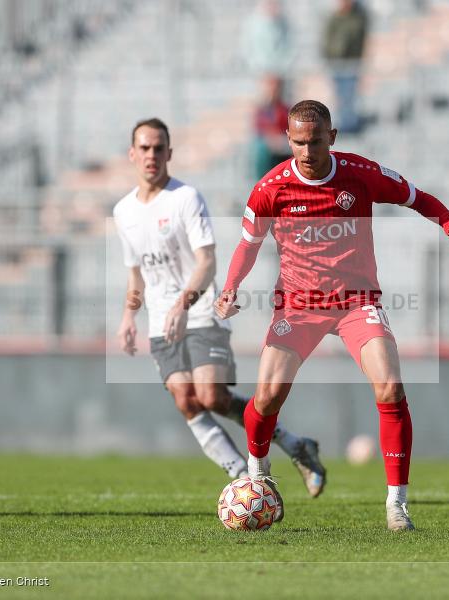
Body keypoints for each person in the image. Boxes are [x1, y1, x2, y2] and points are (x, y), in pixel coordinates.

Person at [214, 101, 449, 530]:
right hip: (299, 306)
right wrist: (230, 287)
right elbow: (247, 245)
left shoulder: (360, 173)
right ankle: (259, 474)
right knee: (266, 397)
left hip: (357, 302)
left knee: (391, 388)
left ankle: (397, 504)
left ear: (332, 137)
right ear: (289, 140)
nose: (307, 150)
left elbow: (417, 196)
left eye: (315, 141)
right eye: (299, 142)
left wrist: (448, 223)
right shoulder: (271, 188)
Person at [113, 118, 326, 504]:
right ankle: (244, 475)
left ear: (170, 154)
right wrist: (129, 316)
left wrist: (182, 304)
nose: (151, 155)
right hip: (162, 323)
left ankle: (289, 446)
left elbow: (207, 262)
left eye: (159, 148)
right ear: (132, 154)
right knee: (186, 401)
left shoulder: (185, 198)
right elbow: (135, 274)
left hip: (198, 314)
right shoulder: (124, 210)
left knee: (210, 396)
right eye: (144, 148)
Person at [322, 0, 368, 133]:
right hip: (336, 64)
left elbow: (356, 39)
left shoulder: (358, 18)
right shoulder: (334, 18)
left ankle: (350, 124)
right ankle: (341, 124)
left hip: (351, 64)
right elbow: (327, 41)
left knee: (349, 95)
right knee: (339, 95)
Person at [252, 75, 292, 181]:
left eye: (275, 88)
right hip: (269, 146)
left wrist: (280, 139)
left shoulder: (286, 109)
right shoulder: (261, 110)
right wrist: (271, 139)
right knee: (261, 149)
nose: (273, 91)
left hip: (284, 144)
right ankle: (262, 182)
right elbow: (261, 129)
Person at [241, 0, 294, 77]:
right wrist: (259, 69)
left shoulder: (285, 24)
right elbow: (247, 48)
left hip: (278, 72)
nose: (272, 6)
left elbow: (290, 48)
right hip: (260, 71)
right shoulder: (252, 24)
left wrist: (280, 69)